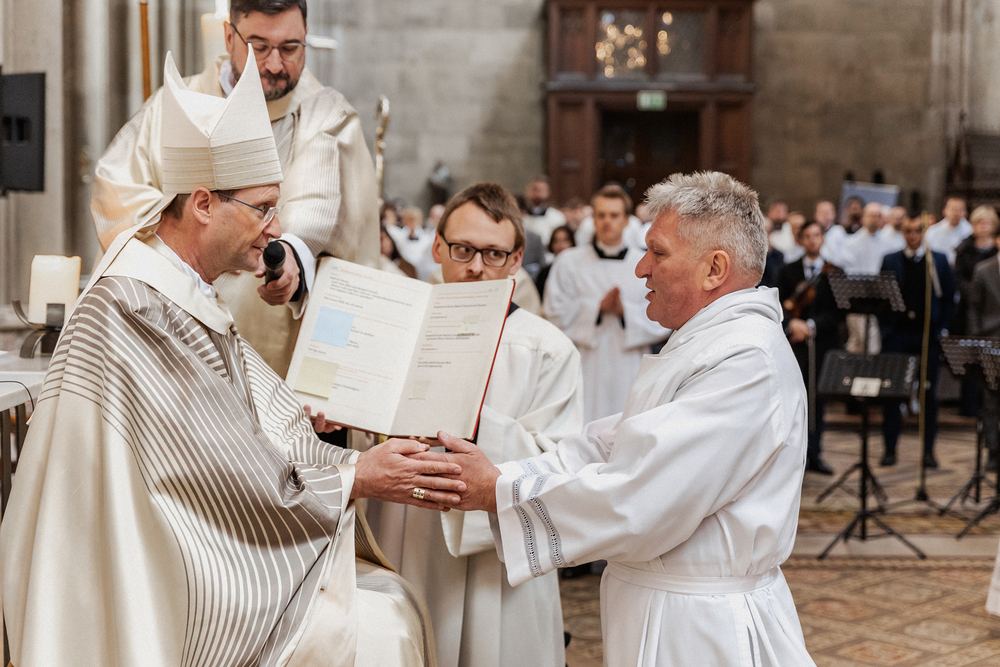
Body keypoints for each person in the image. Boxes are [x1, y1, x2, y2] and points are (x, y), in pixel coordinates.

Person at [0, 52, 458, 667]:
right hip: (152, 577)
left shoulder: (182, 289)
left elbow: (227, 425)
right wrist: (356, 475)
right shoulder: (135, 304)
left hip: (180, 544)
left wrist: (301, 421)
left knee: (388, 608)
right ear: (203, 204)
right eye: (263, 207)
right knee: (381, 628)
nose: (276, 227)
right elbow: (208, 473)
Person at [415, 171, 816, 666]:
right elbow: (608, 444)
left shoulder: (746, 359)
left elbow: (641, 496)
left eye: (658, 253)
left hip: (702, 628)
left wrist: (498, 490)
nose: (641, 269)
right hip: (672, 608)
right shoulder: (708, 341)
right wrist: (498, 476)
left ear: (715, 268)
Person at [90, 0, 379, 375]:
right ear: (229, 36)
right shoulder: (177, 103)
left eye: (290, 48)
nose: (275, 64)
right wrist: (189, 256)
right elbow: (117, 190)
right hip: (164, 335)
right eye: (260, 46)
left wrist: (287, 258)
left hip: (267, 352)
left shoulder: (324, 114)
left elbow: (318, 206)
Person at [365, 183, 584, 667]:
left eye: (494, 253)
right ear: (437, 247)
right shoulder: (394, 331)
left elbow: (559, 465)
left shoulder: (547, 348)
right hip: (403, 531)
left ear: (517, 259)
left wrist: (473, 425)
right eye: (463, 250)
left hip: (496, 567)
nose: (477, 267)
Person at [544, 184, 669, 422]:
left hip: (629, 364)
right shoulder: (568, 262)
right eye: (600, 215)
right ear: (592, 218)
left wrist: (624, 311)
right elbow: (553, 312)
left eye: (614, 215)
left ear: (627, 220)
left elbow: (664, 315)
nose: (607, 221)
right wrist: (597, 308)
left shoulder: (645, 263)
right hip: (584, 362)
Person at [879, 217, 955, 467]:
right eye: (908, 231)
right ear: (903, 233)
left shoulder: (938, 260)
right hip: (897, 336)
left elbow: (949, 298)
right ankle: (890, 449)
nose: (913, 235)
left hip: (927, 337)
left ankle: (928, 452)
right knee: (892, 394)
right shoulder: (890, 259)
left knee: (928, 396)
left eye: (918, 231)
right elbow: (882, 297)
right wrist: (885, 330)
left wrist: (942, 328)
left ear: (924, 232)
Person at [778, 220, 845, 475]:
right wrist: (791, 323)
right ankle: (792, 456)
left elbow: (838, 311)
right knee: (792, 400)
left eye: (817, 235)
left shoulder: (834, 272)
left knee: (817, 403)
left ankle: (814, 454)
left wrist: (812, 325)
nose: (813, 240)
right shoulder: (788, 270)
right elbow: (777, 303)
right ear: (801, 240)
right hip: (794, 345)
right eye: (808, 236)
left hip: (822, 344)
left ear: (822, 239)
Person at [964, 214, 1000, 472]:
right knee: (991, 402)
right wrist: (977, 342)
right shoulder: (984, 270)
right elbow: (974, 309)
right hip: (991, 342)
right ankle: (993, 451)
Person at [521, 175, 567, 245]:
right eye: (535, 189)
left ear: (548, 192)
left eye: (541, 190)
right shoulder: (522, 216)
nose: (538, 193)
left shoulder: (556, 216)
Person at [534, 224, 576, 299]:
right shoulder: (544, 273)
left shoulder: (579, 270)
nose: (560, 245)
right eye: (556, 241)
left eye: (565, 240)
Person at [926, 196, 971, 266]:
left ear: (965, 212)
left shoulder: (970, 231)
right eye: (953, 209)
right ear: (945, 210)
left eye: (960, 210)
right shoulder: (933, 231)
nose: (956, 213)